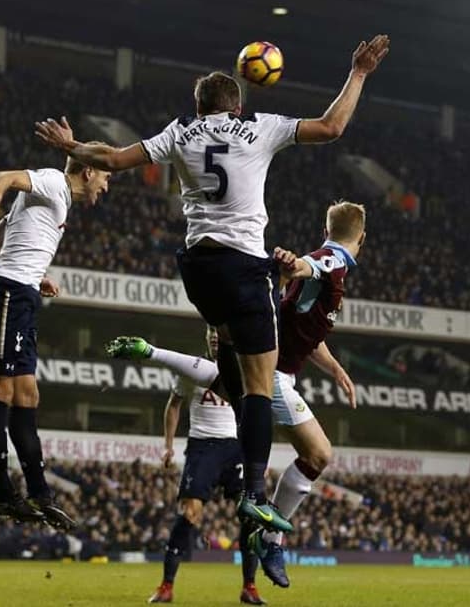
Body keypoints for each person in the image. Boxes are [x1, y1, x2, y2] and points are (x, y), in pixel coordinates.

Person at [35, 35, 389, 534]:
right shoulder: (259, 127)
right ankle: (254, 495)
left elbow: (112, 159)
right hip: (245, 267)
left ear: (198, 106)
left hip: (198, 269)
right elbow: (332, 126)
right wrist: (358, 73)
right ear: (238, 103)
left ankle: (227, 390)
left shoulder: (181, 131)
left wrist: (70, 146)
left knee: (234, 374)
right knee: (260, 390)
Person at [108, 200, 366, 593]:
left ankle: (258, 552)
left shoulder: (325, 271)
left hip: (280, 371)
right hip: (270, 374)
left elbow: (304, 332)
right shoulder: (334, 261)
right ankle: (269, 538)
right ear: (362, 237)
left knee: (312, 455)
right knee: (319, 454)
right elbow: (313, 265)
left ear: (324, 225)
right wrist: (296, 264)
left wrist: (336, 369)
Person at [0, 153, 111, 528]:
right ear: (88, 170)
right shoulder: (52, 181)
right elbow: (4, 173)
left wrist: (38, 273)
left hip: (23, 292)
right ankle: (2, 492)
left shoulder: (56, 201)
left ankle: (39, 493)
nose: (106, 186)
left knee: (27, 395)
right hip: (6, 292)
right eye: (105, 178)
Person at [107, 328, 265, 605]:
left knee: (250, 515)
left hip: (235, 447)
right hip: (203, 447)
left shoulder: (243, 367)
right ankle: (166, 586)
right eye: (211, 331)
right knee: (190, 514)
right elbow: (173, 405)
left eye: (220, 331)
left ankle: (249, 587)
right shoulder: (191, 370)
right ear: (205, 336)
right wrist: (168, 445)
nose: (215, 336)